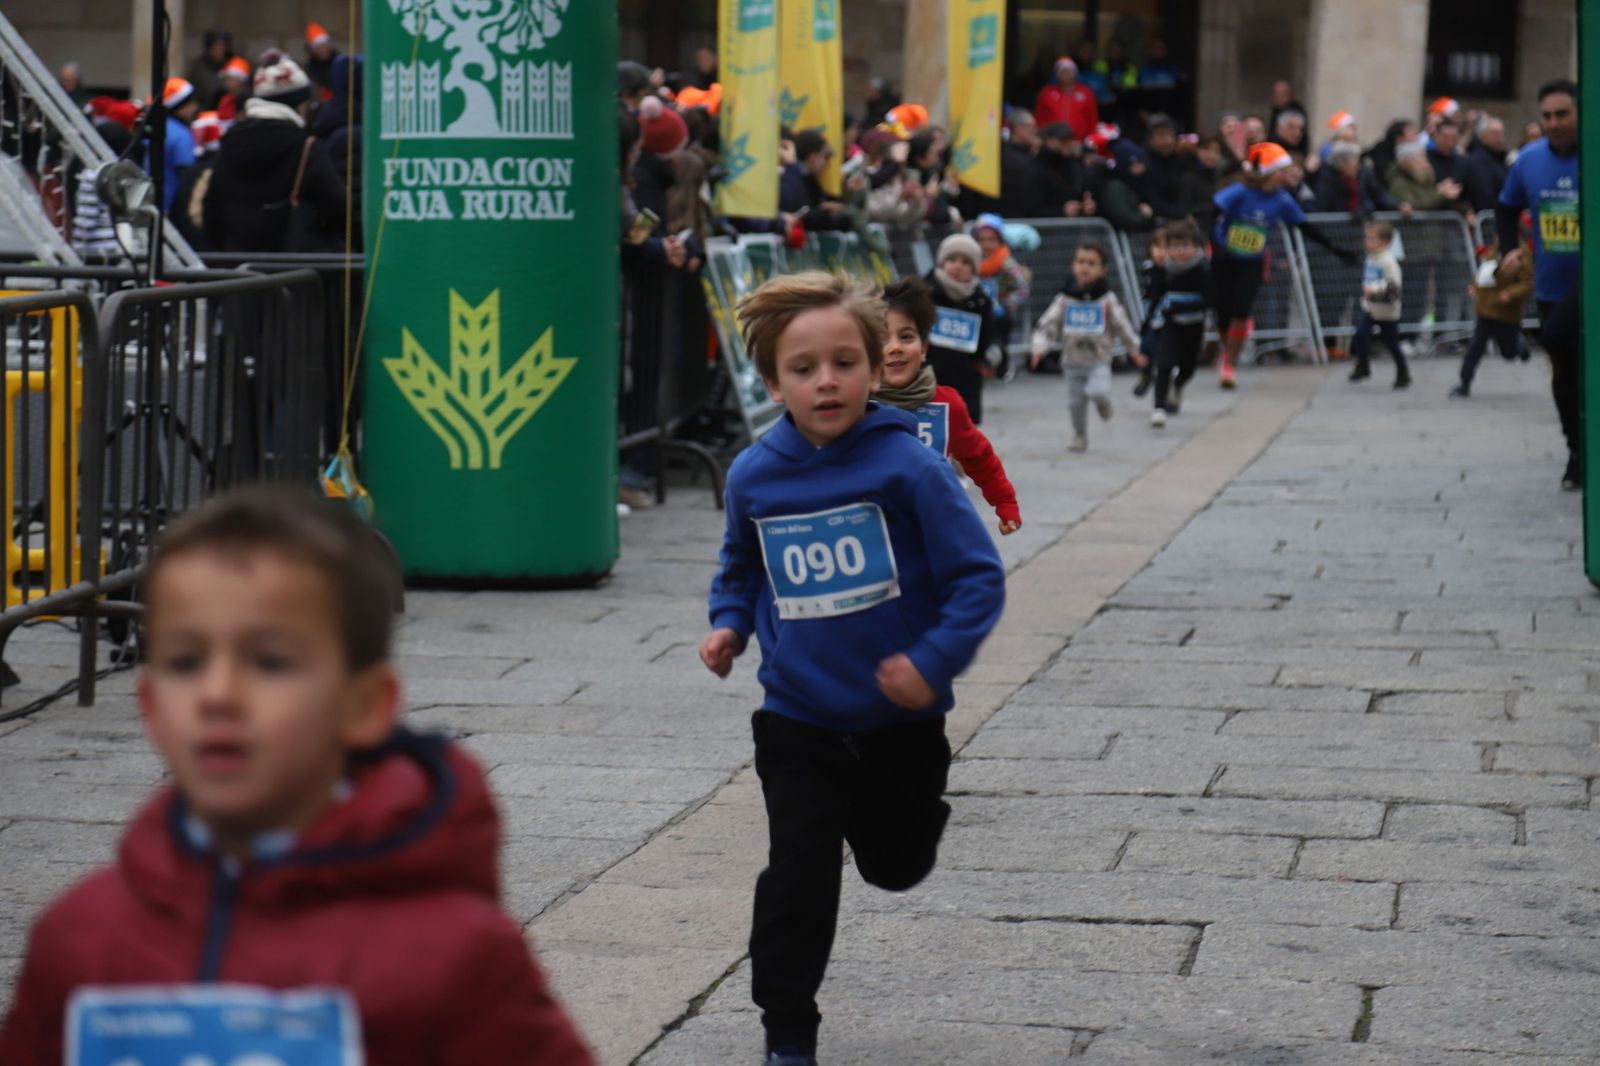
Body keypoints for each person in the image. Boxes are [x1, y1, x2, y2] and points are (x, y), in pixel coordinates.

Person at [0, 487, 595, 1065]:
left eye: (271, 662)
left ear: (364, 706)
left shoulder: (452, 960)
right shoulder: (82, 936)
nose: (218, 694)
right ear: (151, 704)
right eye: (186, 661)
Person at [700, 272, 1005, 1066]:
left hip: (900, 720)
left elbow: (977, 577)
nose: (826, 381)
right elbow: (740, 565)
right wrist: (729, 626)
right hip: (797, 715)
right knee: (798, 870)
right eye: (804, 369)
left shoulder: (911, 469)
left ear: (875, 370)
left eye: (845, 362)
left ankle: (907, 833)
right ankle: (787, 1033)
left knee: (894, 866)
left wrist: (931, 661)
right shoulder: (754, 475)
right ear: (772, 382)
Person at [880, 277, 1022, 533]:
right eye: (882, 339)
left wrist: (1005, 503)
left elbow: (979, 457)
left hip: (936, 529)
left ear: (923, 348)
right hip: (879, 535)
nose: (894, 348)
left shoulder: (946, 404)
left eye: (906, 337)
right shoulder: (856, 408)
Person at [1210, 142, 1357, 388]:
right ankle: (1227, 351)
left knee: (1241, 311)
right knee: (1222, 313)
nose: (1289, 174)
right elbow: (1211, 212)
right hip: (1224, 258)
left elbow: (1305, 226)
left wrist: (1336, 249)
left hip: (1252, 261)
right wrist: (1216, 246)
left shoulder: (1282, 200)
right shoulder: (1240, 191)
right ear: (1270, 172)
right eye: (1283, 170)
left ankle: (1229, 365)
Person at [1497, 78, 1581, 489]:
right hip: (1551, 287)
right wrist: (1508, 249)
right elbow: (1505, 207)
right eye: (1546, 116)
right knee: (1564, 377)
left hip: (1590, 288)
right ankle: (1577, 450)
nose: (1553, 123)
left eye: (1562, 114)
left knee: (1562, 341)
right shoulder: (1528, 161)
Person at [203, 54, 346, 252]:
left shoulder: (229, 144)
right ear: (296, 104)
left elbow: (210, 210)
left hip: (238, 267)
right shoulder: (305, 147)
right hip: (293, 266)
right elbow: (337, 206)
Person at [1029, 239, 1144, 451]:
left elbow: (1122, 325)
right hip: (1071, 360)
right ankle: (1079, 434)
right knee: (1075, 404)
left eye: (1091, 263)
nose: (1085, 267)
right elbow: (1049, 324)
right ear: (1073, 266)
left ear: (1103, 270)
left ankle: (1104, 404)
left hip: (1098, 358)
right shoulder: (1065, 298)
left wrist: (1134, 349)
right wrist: (1039, 347)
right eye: (1081, 262)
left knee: (1098, 391)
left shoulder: (1106, 299)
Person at [924, 233, 1001, 423]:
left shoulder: (981, 301)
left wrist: (993, 352)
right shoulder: (923, 295)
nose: (957, 266)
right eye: (951, 259)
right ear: (941, 262)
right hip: (929, 377)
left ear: (974, 269)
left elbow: (989, 335)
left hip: (966, 380)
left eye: (965, 262)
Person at [1453, 216, 1534, 398]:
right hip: (1486, 309)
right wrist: (1474, 286)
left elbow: (1527, 283)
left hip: (1506, 313)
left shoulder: (1522, 256)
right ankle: (1464, 383)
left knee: (1508, 353)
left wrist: (1510, 294)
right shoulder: (1494, 251)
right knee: (1475, 347)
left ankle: (1519, 347)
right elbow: (1485, 273)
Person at [1144, 218, 1210, 427]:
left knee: (1188, 366)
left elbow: (1212, 298)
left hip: (1194, 324)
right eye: (1175, 246)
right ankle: (1159, 407)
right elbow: (1156, 295)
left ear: (1196, 246)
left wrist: (1186, 307)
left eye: (1186, 246)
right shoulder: (1164, 270)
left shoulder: (1203, 269)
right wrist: (1148, 320)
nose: (1181, 251)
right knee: (1164, 363)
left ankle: (1178, 385)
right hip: (1170, 323)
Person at [1347, 220, 1410, 389]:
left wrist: (1374, 291)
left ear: (1384, 242)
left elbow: (1393, 286)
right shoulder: (1371, 258)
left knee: (1391, 343)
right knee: (1360, 333)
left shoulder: (1389, 262)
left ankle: (1403, 372)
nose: (1367, 242)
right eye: (1367, 238)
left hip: (1386, 310)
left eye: (1371, 239)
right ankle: (1363, 365)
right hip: (1370, 307)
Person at [970, 213, 1032, 362]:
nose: (986, 245)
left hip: (1000, 313)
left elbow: (1022, 288)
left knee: (999, 341)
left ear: (1000, 241)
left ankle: (1001, 366)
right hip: (979, 310)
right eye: (981, 240)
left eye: (991, 240)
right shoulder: (972, 262)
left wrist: (1008, 303)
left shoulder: (1006, 263)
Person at [1021, 122, 1090, 218]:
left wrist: (1086, 205)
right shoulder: (1036, 168)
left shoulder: (1075, 165)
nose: (1068, 144)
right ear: (1049, 141)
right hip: (1048, 228)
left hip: (1075, 227)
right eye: (1063, 140)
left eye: (1070, 139)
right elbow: (1032, 208)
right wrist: (1061, 211)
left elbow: (1081, 193)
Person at [155, 78, 200, 214]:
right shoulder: (182, 135)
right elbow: (187, 173)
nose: (195, 107)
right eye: (191, 103)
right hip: (172, 205)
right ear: (180, 107)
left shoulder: (158, 128)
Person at [1035, 57, 1098, 142]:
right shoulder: (1047, 93)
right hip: (1052, 143)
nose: (1066, 74)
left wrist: (1091, 139)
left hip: (1079, 142)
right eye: (1063, 71)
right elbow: (1040, 117)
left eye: (1069, 71)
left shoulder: (1086, 93)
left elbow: (1092, 118)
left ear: (1074, 73)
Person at [1143, 114, 1192, 221]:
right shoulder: (1145, 164)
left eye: (1170, 134)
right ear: (1151, 139)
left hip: (1187, 216)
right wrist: (1184, 214)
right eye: (1161, 135)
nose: (1168, 140)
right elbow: (1154, 202)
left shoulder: (1181, 160)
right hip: (1159, 220)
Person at [1460, 116, 1509, 214]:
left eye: (1502, 134)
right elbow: (1483, 195)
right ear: (1483, 136)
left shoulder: (1500, 158)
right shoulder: (1477, 160)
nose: (1500, 139)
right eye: (1496, 135)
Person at [997, 108, 1039, 217]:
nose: (1035, 131)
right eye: (1031, 127)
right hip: (1012, 215)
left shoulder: (1031, 154)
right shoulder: (1006, 156)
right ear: (1018, 129)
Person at [186, 29, 232, 110]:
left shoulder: (232, 63)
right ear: (209, 48)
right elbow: (207, 91)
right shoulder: (199, 68)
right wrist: (224, 83)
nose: (221, 50)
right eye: (217, 46)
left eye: (223, 46)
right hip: (206, 111)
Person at [304, 22, 340, 95]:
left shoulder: (339, 62)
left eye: (325, 45)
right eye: (319, 47)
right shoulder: (311, 67)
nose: (323, 49)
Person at [1426, 118, 1464, 186]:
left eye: (1454, 138)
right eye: (1446, 138)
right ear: (1436, 136)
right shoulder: (1425, 159)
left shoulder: (1462, 161)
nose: (1450, 143)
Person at [216, 56, 251, 123]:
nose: (227, 82)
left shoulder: (247, 99)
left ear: (241, 81)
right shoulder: (220, 96)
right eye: (227, 78)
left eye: (231, 79)